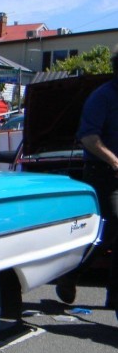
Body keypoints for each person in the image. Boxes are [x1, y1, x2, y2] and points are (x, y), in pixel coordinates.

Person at [63, 46, 118, 316]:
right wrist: (114, 160)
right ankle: (71, 273)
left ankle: (114, 296)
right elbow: (88, 138)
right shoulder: (103, 97)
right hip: (103, 172)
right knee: (111, 226)